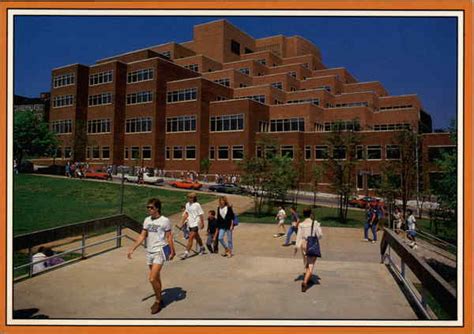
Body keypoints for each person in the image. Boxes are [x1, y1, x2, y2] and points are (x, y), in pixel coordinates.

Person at [127, 198, 176, 315]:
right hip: (149, 251)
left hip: (160, 251)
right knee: (156, 277)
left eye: (151, 207)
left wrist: (172, 251)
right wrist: (132, 248)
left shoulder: (165, 221)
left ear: (157, 208)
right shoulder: (147, 220)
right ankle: (160, 298)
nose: (149, 209)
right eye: (148, 207)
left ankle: (158, 301)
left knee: (152, 278)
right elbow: (142, 235)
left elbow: (169, 237)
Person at [294, 207, 322, 292]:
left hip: (303, 243)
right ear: (310, 214)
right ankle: (305, 282)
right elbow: (320, 235)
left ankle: (308, 277)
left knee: (306, 262)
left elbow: (298, 236)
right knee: (311, 264)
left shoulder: (301, 224)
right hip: (312, 244)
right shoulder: (315, 223)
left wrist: (296, 247)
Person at [179, 192, 206, 259]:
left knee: (190, 238)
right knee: (197, 237)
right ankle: (202, 248)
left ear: (194, 198)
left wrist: (202, 223)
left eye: (191, 197)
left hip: (195, 224)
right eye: (188, 197)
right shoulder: (187, 205)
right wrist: (182, 223)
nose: (189, 198)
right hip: (190, 224)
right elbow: (186, 214)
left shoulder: (197, 205)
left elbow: (201, 214)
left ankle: (186, 253)